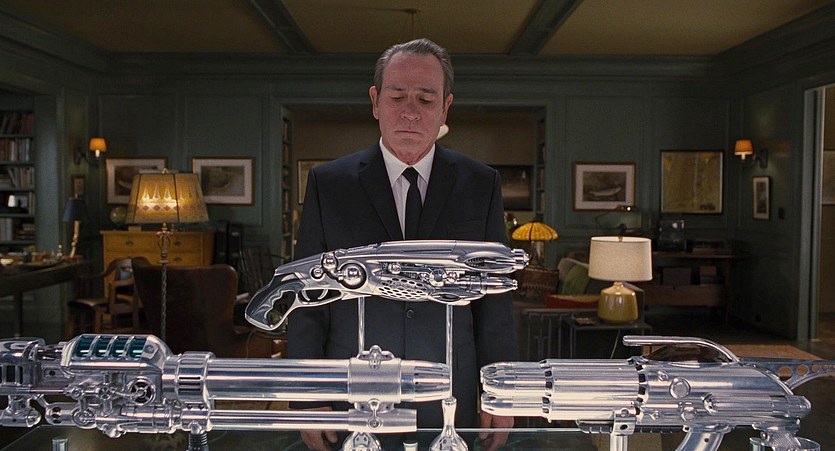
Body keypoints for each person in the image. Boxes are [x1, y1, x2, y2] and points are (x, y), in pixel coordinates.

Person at [288, 38, 516, 451]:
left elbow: (494, 303)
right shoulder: (329, 184)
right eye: (397, 97)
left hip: (451, 395)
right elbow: (308, 296)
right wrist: (308, 396)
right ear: (375, 102)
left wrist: (501, 392)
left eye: (426, 99)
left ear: (445, 108)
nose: (411, 111)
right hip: (352, 394)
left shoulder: (481, 184)